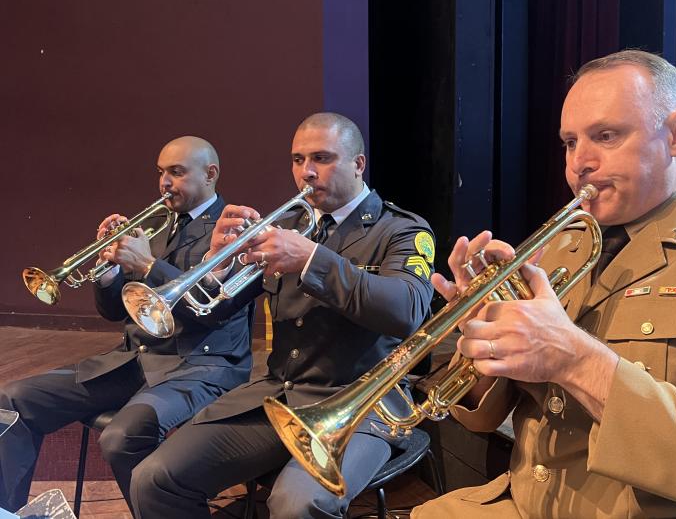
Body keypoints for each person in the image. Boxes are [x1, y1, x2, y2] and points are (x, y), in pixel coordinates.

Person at [413, 51, 676, 518]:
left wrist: (574, 358)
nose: (580, 163)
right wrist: (487, 345)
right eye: (570, 142)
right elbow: (480, 417)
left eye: (607, 136)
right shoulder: (564, 245)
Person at [130, 113, 436, 519]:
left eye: (322, 158)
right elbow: (212, 313)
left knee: (296, 504)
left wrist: (311, 259)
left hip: (362, 407)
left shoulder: (399, 230)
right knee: (154, 476)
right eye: (297, 160)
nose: (305, 173)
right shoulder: (290, 226)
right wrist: (215, 264)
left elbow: (407, 311)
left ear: (358, 164)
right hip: (280, 397)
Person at [0, 136, 253, 511]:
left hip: (199, 365)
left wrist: (147, 266)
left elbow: (209, 311)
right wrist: (109, 273)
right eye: (161, 172)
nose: (165, 182)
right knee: (13, 401)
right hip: (133, 361)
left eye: (177, 172)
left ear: (210, 174)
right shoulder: (158, 225)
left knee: (120, 438)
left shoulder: (233, 228)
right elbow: (115, 312)